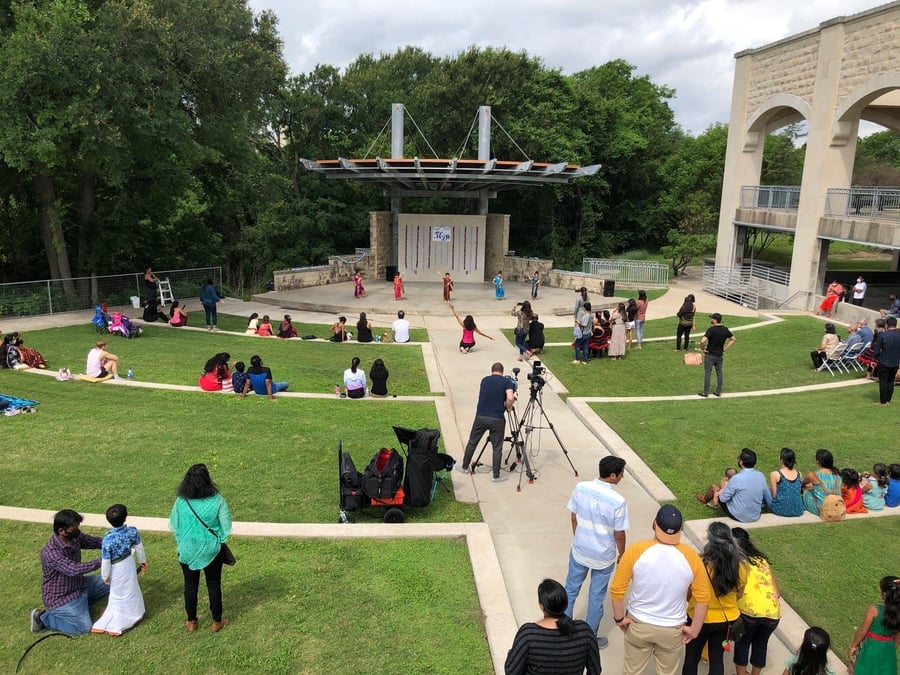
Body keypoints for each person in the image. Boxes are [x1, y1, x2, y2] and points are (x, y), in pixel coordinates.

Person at [610, 505, 710, 675]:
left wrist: (619, 618)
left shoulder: (636, 550)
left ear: (655, 524)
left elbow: (617, 590)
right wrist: (694, 630)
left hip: (638, 623)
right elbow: (703, 598)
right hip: (672, 629)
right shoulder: (691, 556)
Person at [564, 456, 629, 650]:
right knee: (596, 598)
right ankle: (589, 639)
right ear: (612, 476)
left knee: (570, 590)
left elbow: (573, 517)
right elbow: (619, 534)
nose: (622, 476)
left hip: (580, 550)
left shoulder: (581, 487)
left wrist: (579, 537)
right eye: (621, 473)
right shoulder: (618, 501)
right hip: (603, 557)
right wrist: (622, 554)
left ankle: (563, 632)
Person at [169, 463, 232, 633]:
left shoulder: (181, 502)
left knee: (190, 586)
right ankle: (216, 621)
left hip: (187, 549)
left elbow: (174, 525)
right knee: (213, 585)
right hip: (212, 549)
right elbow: (226, 528)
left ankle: (191, 621)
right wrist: (218, 540)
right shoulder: (217, 500)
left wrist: (181, 542)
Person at [681, 522, 747, 675]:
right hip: (726, 620)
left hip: (699, 618)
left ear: (710, 541)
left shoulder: (700, 563)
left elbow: (688, 592)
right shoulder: (741, 567)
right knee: (717, 659)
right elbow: (739, 594)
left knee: (691, 658)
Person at [30, 509, 110, 635]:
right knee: (83, 628)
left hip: (80, 585)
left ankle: (81, 607)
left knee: (112, 582)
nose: (77, 531)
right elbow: (73, 569)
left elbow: (92, 541)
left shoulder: (74, 537)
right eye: (74, 529)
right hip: (62, 598)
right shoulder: (51, 552)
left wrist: (112, 542)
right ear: (62, 531)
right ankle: (42, 618)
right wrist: (103, 560)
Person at [505, 578, 602, 675]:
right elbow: (595, 670)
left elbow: (511, 671)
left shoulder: (528, 635)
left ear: (542, 606)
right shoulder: (584, 631)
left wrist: (511, 653)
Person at [90, 504, 147, 636]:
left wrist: (105, 576)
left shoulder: (107, 538)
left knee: (117, 591)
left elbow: (105, 560)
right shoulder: (132, 531)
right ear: (125, 517)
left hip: (115, 568)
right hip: (128, 564)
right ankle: (130, 615)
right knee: (130, 588)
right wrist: (142, 561)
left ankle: (109, 620)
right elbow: (139, 548)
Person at [731, 527, 781, 675]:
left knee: (742, 643)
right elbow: (777, 593)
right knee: (761, 646)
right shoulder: (762, 561)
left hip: (747, 613)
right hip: (772, 614)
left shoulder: (736, 562)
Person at [458, 362, 515, 481]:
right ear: (502, 372)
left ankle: (464, 467)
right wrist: (509, 407)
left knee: (473, 442)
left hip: (481, 416)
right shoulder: (507, 382)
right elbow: (510, 397)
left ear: (492, 370)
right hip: (497, 418)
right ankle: (496, 476)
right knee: (497, 447)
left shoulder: (484, 380)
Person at [848, 576, 900, 675]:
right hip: (888, 649)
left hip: (871, 648)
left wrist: (853, 646)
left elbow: (862, 631)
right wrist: (891, 650)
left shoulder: (874, 610)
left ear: (884, 595)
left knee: (865, 669)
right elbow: (898, 637)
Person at [717, 448, 771, 524]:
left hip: (738, 516)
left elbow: (723, 499)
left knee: (720, 496)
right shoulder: (761, 475)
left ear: (741, 462)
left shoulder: (736, 478)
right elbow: (767, 494)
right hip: (755, 515)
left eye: (738, 458)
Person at [698, 313, 735, 397]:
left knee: (708, 373)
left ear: (715, 320)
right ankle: (718, 392)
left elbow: (702, 341)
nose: (710, 320)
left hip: (710, 355)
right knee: (719, 373)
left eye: (711, 318)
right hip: (719, 355)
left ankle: (705, 392)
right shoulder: (725, 329)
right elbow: (733, 339)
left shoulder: (711, 330)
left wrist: (703, 349)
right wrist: (725, 349)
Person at [801, 448, 842, 515]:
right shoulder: (838, 476)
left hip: (822, 509)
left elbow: (801, 485)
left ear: (817, 461)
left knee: (806, 489)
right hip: (836, 507)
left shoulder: (813, 475)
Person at [768, 447, 804, 517]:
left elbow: (774, 495)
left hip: (781, 510)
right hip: (798, 510)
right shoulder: (799, 474)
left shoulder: (775, 474)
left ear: (782, 460)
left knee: (766, 489)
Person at [873, 316, 900, 405]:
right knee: (891, 381)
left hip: (884, 361)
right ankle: (888, 399)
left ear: (887, 325)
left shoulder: (882, 335)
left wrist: (873, 359)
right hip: (895, 362)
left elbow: (876, 350)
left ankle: (883, 401)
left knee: (883, 381)